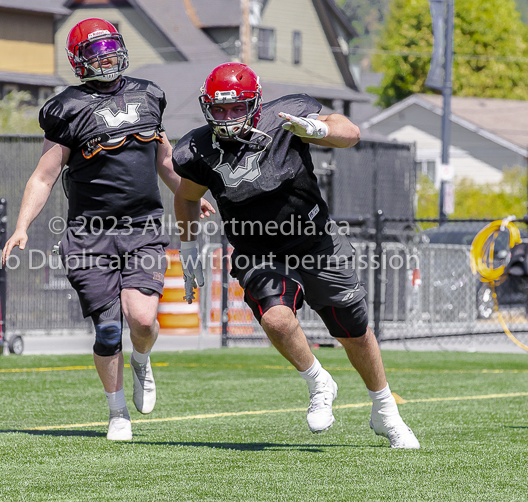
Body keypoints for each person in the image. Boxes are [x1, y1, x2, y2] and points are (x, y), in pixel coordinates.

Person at [172, 62, 419, 449]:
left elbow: (350, 131)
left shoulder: (285, 117)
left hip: (314, 240)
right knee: (277, 319)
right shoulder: (196, 148)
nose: (226, 117)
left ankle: (385, 411)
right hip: (256, 248)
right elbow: (186, 197)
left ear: (254, 104)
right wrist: (188, 248)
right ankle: (319, 382)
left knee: (353, 333)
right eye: (218, 109)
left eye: (236, 107)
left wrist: (319, 129)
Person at [2, 18, 213, 441]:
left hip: (143, 228)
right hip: (88, 232)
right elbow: (44, 177)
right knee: (109, 327)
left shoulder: (149, 94)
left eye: (110, 48)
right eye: (95, 52)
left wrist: (189, 193)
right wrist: (22, 226)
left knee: (143, 319)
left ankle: (142, 360)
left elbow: (166, 163)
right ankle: (117, 412)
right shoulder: (66, 107)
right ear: (79, 61)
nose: (106, 58)